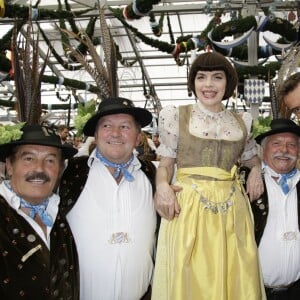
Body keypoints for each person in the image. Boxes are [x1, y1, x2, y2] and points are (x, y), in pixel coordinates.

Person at [151, 51, 265, 300]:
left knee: (234, 278)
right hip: (190, 208)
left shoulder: (242, 120)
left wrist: (256, 170)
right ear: (193, 83)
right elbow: (166, 165)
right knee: (190, 278)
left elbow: (251, 157)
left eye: (217, 77)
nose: (209, 85)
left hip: (232, 211)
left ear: (229, 83)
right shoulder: (175, 116)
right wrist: (162, 187)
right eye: (201, 77)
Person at [59, 97, 158, 300]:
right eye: (106, 126)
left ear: (139, 137)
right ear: (95, 135)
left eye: (124, 126)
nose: (115, 133)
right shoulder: (70, 174)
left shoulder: (154, 175)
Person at [0, 124, 79, 299]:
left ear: (59, 170)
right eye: (28, 158)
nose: (40, 169)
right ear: (9, 166)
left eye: (50, 160)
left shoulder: (58, 213)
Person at [252, 118, 300, 300]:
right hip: (257, 291)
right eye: (276, 143)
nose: (284, 150)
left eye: (292, 145)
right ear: (263, 149)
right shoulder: (247, 183)